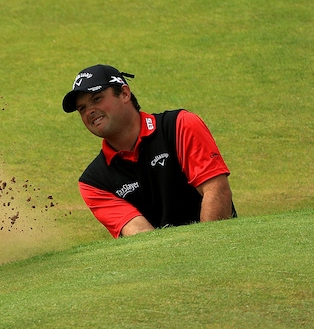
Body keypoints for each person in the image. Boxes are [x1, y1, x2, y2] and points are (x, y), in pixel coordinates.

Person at [62, 64, 235, 238]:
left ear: (124, 93)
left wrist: (205, 250)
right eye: (82, 108)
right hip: (166, 261)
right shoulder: (93, 182)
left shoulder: (180, 125)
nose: (89, 111)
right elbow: (140, 233)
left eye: (97, 99)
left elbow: (217, 191)